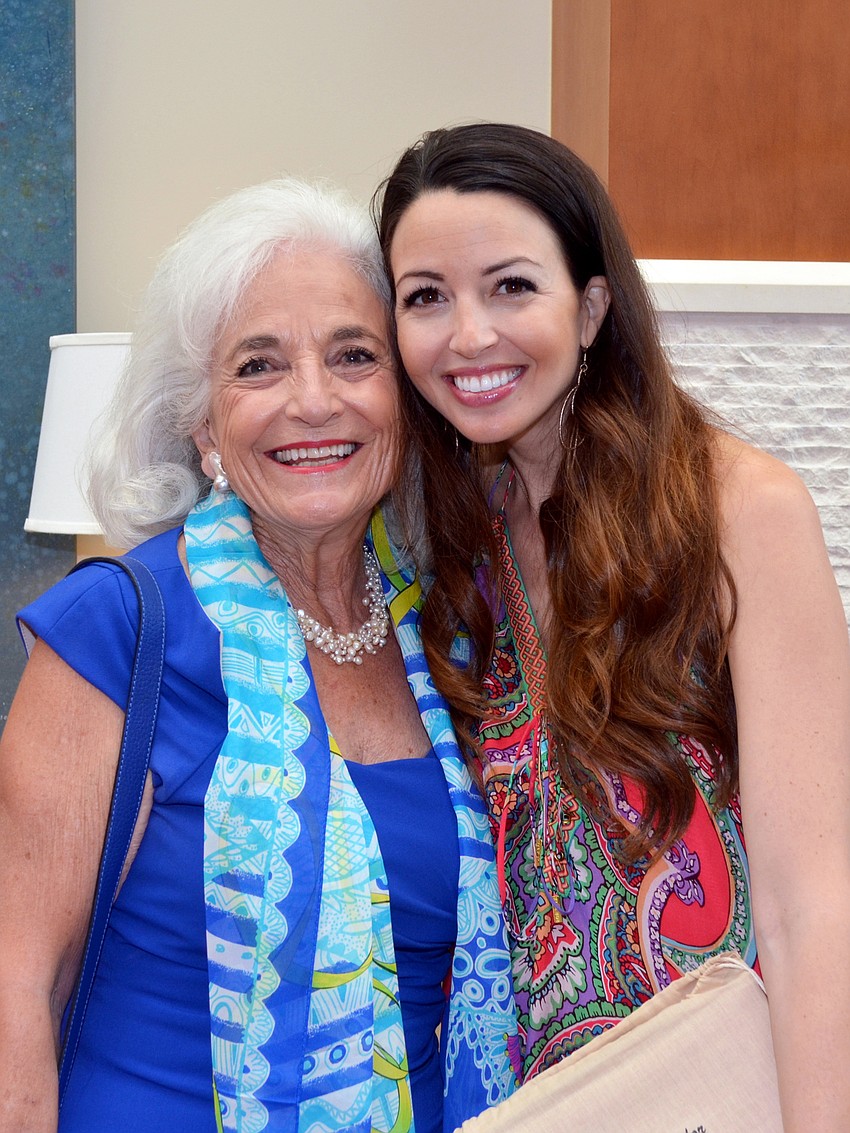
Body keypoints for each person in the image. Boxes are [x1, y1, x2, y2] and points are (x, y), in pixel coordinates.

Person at [0, 178, 518, 1133]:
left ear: (402, 403)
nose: (312, 401)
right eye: (258, 366)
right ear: (204, 424)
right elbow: (13, 990)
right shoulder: (118, 632)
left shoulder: (457, 641)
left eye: (354, 356)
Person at [376, 122, 850, 1131]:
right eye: (426, 297)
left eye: (510, 286)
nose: (467, 335)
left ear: (589, 305)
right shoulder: (455, 555)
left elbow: (816, 907)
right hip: (560, 1102)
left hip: (738, 1089)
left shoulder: (737, 512)